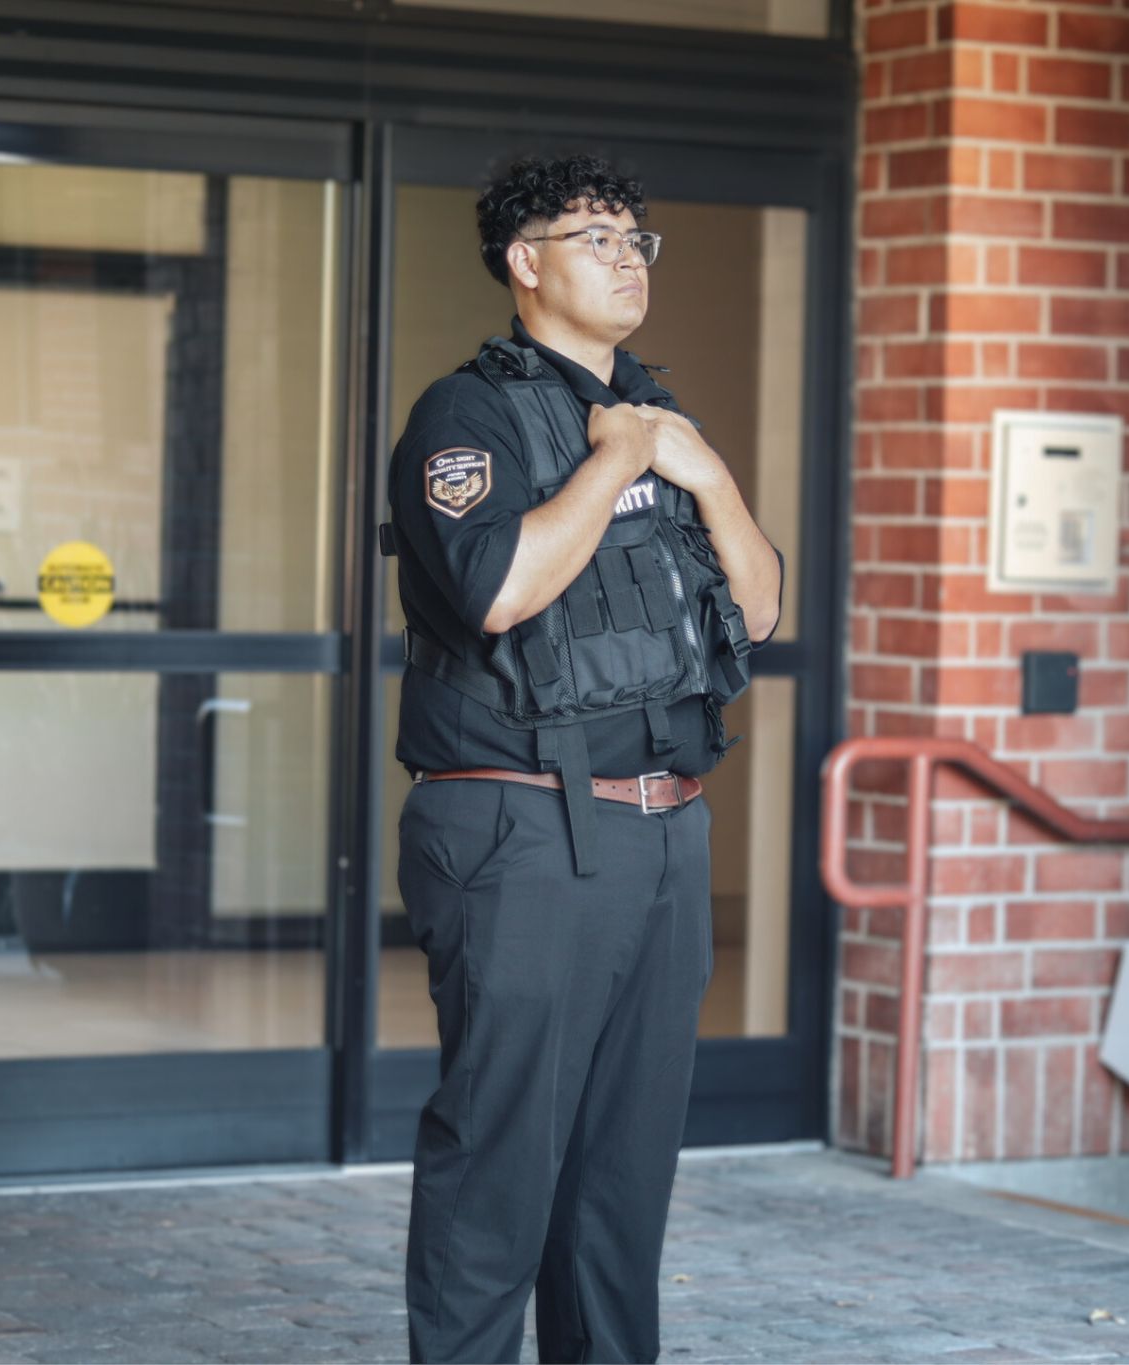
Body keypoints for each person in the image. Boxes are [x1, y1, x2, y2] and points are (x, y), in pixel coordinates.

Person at [382, 152, 785, 1363]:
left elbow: (758, 612)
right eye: (595, 236)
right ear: (525, 264)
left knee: (623, 1170)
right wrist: (613, 461)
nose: (625, 258)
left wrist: (703, 473)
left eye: (634, 239)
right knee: (501, 1153)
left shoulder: (668, 420)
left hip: (664, 830)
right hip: (519, 828)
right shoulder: (469, 415)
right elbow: (494, 590)